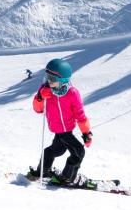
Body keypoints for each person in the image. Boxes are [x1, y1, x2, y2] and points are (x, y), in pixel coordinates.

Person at [29, 58, 93, 186]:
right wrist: (40, 97)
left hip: (65, 130)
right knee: (79, 152)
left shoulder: (72, 93)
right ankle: (67, 178)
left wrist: (86, 133)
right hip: (61, 132)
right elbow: (38, 109)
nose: (48, 81)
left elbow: (80, 115)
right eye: (47, 77)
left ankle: (43, 171)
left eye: (52, 79)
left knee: (54, 151)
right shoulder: (46, 91)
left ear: (62, 80)